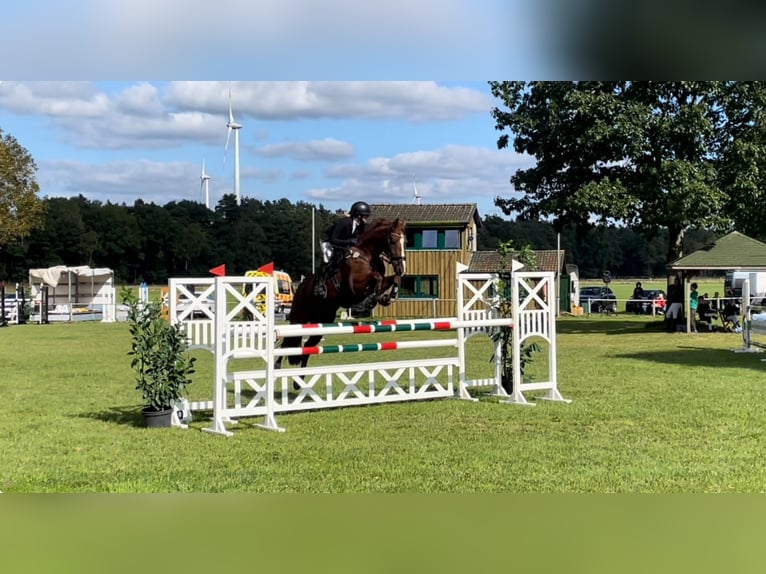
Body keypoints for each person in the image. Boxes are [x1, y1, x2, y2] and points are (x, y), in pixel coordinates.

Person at [313, 201, 372, 298]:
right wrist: (350, 242)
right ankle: (318, 284)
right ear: (358, 216)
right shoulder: (344, 222)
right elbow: (334, 239)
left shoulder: (360, 226)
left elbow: (357, 240)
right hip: (329, 242)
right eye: (365, 216)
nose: (367, 218)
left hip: (343, 244)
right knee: (329, 260)